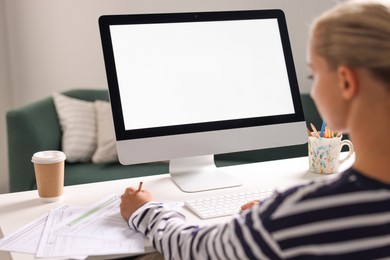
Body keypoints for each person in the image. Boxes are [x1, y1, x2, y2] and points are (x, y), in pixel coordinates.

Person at [120, 0, 390, 259]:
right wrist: (270, 225)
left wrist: (145, 211)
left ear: (346, 82)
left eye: (314, 75)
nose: (313, 89)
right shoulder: (295, 218)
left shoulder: (299, 215)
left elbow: (195, 251)